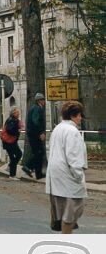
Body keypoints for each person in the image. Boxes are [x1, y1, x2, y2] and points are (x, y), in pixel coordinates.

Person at [46, 100, 87, 234]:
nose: (80, 118)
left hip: (56, 176)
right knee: (71, 213)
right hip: (68, 176)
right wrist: (79, 176)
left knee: (64, 212)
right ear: (73, 116)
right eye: (79, 115)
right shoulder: (72, 131)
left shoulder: (58, 128)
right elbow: (73, 156)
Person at [23, 92, 46, 179]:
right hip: (35, 134)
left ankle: (38, 174)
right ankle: (28, 167)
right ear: (39, 100)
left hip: (33, 134)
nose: (44, 101)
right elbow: (35, 121)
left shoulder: (34, 108)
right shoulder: (37, 109)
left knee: (38, 153)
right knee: (39, 153)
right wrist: (41, 133)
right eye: (43, 100)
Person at [1, 106, 24, 180]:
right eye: (17, 112)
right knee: (17, 155)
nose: (19, 113)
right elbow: (10, 130)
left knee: (15, 156)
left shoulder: (11, 119)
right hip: (10, 142)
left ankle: (10, 169)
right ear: (13, 113)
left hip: (9, 142)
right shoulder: (12, 120)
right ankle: (12, 175)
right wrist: (18, 131)